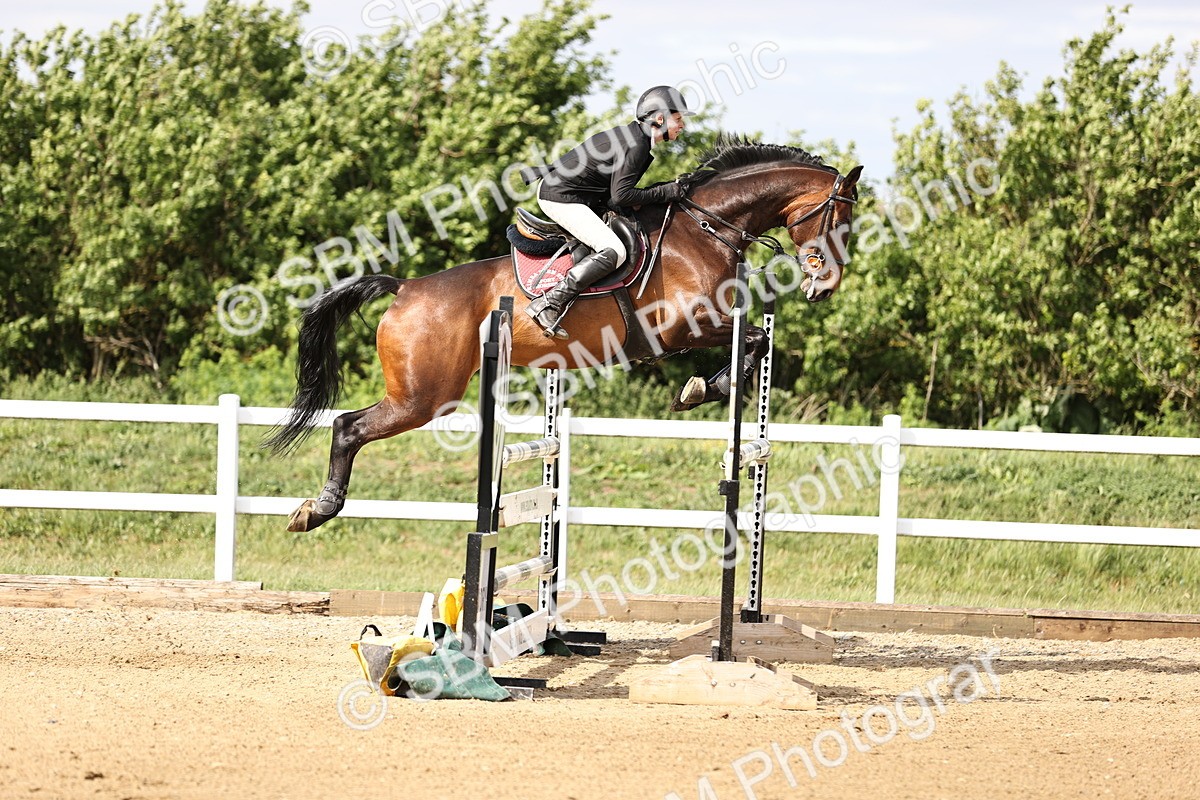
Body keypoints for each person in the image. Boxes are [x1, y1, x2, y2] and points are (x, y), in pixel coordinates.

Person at [520, 85, 695, 338]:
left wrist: (658, 191)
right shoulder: (637, 145)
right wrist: (666, 192)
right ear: (660, 118)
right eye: (678, 119)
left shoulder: (635, 137)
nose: (682, 126)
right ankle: (549, 302)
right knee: (615, 250)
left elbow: (619, 194)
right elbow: (621, 196)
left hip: (576, 194)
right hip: (561, 197)